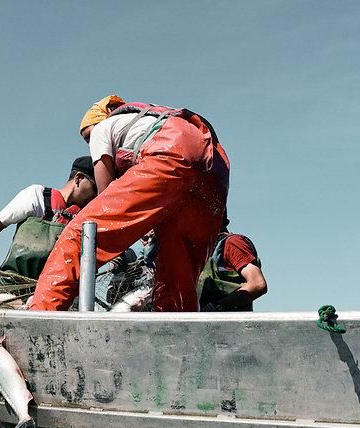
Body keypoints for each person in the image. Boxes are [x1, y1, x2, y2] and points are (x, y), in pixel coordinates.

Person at [28, 95, 229, 312]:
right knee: (178, 268)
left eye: (87, 137)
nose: (89, 143)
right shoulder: (152, 119)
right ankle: (173, 333)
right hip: (214, 168)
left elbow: (105, 197)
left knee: (81, 235)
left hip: (170, 150)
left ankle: (42, 312)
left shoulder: (103, 128)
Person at [0, 157, 97, 292]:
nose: (95, 196)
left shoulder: (84, 219)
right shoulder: (37, 196)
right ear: (79, 178)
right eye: (94, 188)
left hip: (53, 292)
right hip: (12, 287)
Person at [197, 230, 267, 311]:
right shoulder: (206, 249)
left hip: (227, 321)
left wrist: (218, 307)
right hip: (207, 321)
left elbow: (257, 285)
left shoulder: (233, 243)